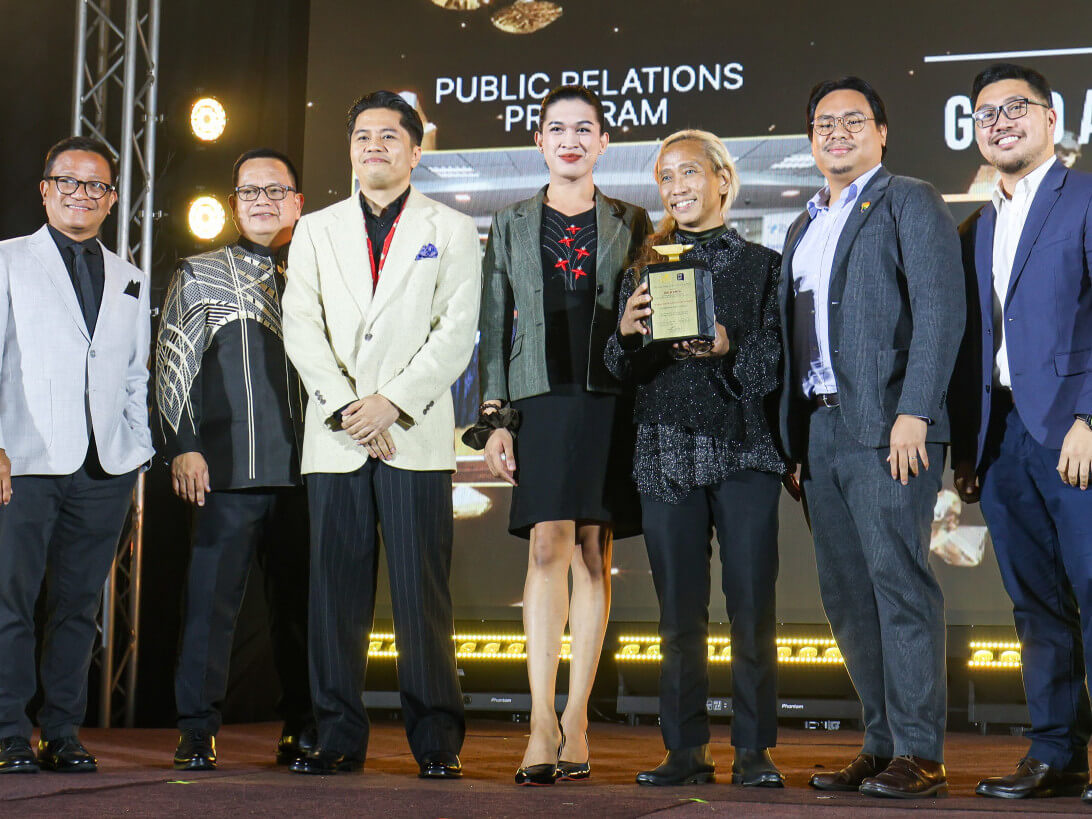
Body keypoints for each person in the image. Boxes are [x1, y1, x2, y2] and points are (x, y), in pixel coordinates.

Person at [282, 91, 480, 778]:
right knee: (335, 595)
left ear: (415, 149)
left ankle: (436, 741)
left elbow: (456, 332)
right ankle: (336, 735)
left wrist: (391, 402)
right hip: (337, 438)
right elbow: (300, 325)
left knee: (421, 595)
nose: (374, 147)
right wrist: (347, 408)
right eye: (362, 136)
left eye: (389, 137)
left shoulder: (450, 229)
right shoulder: (314, 228)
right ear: (350, 149)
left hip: (412, 435)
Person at [777, 77, 964, 798]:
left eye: (853, 120)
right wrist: (792, 439)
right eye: (824, 122)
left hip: (890, 427)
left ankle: (920, 750)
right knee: (847, 595)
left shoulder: (909, 199)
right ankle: (881, 740)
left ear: (882, 133)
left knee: (898, 584)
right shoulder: (802, 224)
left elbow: (941, 312)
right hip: (820, 428)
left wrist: (916, 409)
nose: (837, 132)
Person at [477, 85, 649, 785]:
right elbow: (494, 324)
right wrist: (494, 418)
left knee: (591, 547)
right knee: (546, 541)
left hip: (610, 394)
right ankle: (541, 721)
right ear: (540, 142)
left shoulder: (631, 219)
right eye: (557, 129)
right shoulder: (513, 221)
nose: (570, 139)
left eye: (584, 129)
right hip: (539, 397)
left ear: (604, 143)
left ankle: (578, 717)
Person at [607, 130, 785, 788]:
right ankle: (684, 748)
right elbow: (616, 367)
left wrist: (729, 346)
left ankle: (753, 750)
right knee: (678, 616)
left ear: (722, 180)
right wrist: (625, 335)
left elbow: (774, 362)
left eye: (688, 173)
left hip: (742, 449)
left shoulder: (763, 265)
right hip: (664, 454)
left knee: (750, 610)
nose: (676, 187)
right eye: (665, 177)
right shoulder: (641, 266)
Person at [949, 63, 1092, 803]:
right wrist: (967, 451)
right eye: (985, 113)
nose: (1000, 121)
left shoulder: (1086, 197)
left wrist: (1090, 418)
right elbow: (972, 344)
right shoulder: (977, 225)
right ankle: (1056, 753)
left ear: (1052, 118)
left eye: (1016, 108)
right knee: (1034, 602)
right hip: (1001, 440)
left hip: (1073, 431)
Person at [155, 148, 314, 771]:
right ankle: (197, 730)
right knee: (210, 606)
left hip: (309, 473)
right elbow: (172, 366)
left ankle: (304, 727)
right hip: (225, 471)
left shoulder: (322, 274)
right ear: (233, 204)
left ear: (298, 202)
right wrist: (183, 445)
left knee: (302, 610)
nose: (263, 202)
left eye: (276, 191)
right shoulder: (201, 273)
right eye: (250, 193)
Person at [0, 136, 153, 774]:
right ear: (45, 188)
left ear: (112, 198)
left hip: (104, 468)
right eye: (69, 181)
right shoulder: (8, 259)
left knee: (79, 606)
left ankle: (61, 730)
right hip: (25, 461)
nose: (81, 194)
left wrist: (136, 447)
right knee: (11, 602)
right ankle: (9, 730)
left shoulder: (129, 275)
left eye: (96, 186)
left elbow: (135, 373)